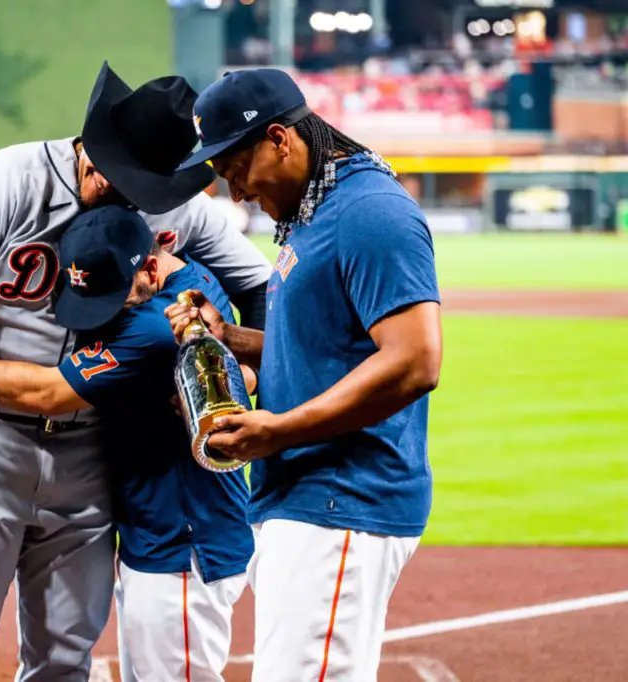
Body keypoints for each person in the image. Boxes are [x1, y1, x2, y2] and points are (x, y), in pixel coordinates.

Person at [0, 61, 271, 681]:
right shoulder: (11, 179)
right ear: (96, 157)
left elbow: (257, 283)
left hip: (91, 453)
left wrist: (252, 376)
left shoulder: (166, 204)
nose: (141, 206)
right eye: (130, 187)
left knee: (65, 658)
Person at [167, 68, 443, 681]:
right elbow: (319, 349)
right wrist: (230, 340)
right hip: (309, 498)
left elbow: (415, 360)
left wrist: (279, 431)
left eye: (235, 169)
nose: (236, 193)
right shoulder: (317, 210)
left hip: (342, 496)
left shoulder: (369, 212)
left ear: (279, 140)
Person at [0, 206, 254, 681]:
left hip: (183, 547)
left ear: (150, 267)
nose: (107, 311)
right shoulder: (193, 279)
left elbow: (46, 393)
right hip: (164, 538)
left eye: (115, 296)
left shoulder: (154, 326)